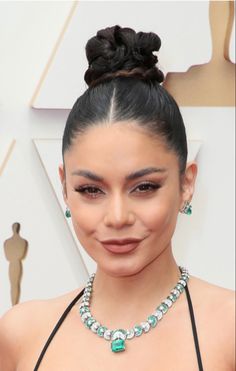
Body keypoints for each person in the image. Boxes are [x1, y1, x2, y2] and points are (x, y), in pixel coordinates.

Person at [0, 25, 234, 371]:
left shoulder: (228, 331)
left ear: (186, 183)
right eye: (91, 190)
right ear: (65, 187)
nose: (118, 216)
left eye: (144, 187)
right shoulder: (20, 334)